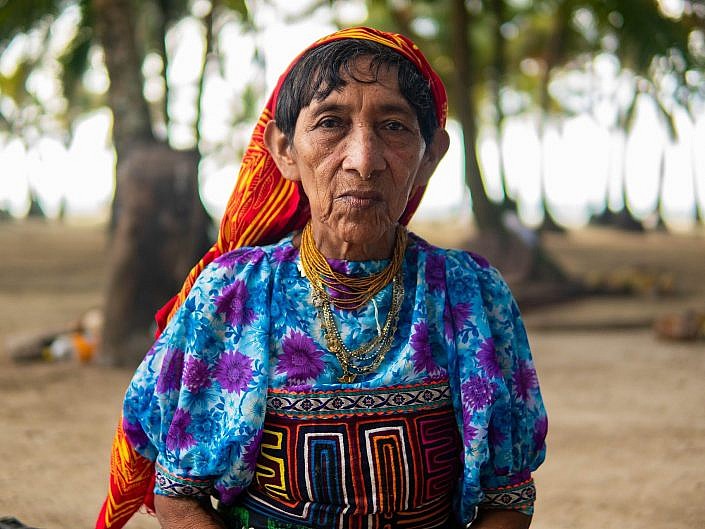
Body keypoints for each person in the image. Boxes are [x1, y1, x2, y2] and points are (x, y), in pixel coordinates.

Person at [96, 26, 547, 529]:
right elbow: (179, 495)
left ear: (431, 156)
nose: (364, 160)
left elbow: (508, 497)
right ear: (285, 150)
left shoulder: (471, 294)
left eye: (394, 127)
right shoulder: (234, 293)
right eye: (331, 123)